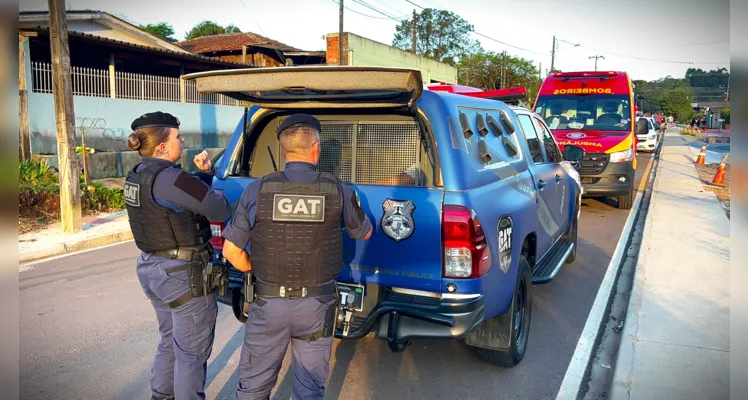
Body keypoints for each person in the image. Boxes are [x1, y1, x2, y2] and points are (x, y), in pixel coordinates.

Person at [221, 113, 373, 400]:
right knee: (309, 390)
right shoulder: (338, 189)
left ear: (283, 149)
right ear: (316, 148)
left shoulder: (258, 189)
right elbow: (363, 233)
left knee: (253, 388)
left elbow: (231, 251)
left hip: (268, 304)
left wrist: (258, 270)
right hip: (316, 305)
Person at [125, 112, 231, 400]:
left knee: (170, 342)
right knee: (191, 353)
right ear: (162, 147)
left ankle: (161, 396)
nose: (182, 140)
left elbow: (177, 195)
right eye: (177, 136)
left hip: (152, 269)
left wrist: (204, 174)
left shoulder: (137, 174)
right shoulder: (173, 177)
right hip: (182, 274)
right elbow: (219, 209)